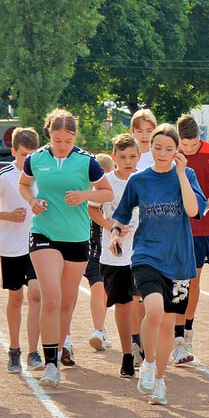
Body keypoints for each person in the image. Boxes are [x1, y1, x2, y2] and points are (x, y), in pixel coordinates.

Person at [110, 124, 207, 405]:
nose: (162, 153)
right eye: (157, 147)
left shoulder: (186, 175)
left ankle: (160, 382)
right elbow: (122, 215)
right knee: (153, 310)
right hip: (146, 256)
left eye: (168, 148)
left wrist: (180, 175)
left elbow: (193, 210)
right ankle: (149, 363)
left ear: (176, 151)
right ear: (149, 148)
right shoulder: (139, 180)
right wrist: (115, 235)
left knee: (167, 325)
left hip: (179, 260)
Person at [18, 109, 113, 388]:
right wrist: (31, 201)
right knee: (51, 296)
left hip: (76, 237)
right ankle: (49, 365)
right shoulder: (36, 159)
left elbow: (107, 192)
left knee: (67, 301)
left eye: (67, 141)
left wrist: (85, 195)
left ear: (75, 137)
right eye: (57, 140)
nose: (62, 146)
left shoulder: (87, 162)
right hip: (44, 232)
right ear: (49, 133)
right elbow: (25, 186)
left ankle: (58, 352)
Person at [0, 127, 43, 373]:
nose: (27, 159)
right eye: (23, 154)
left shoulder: (43, 173)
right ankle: (14, 349)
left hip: (38, 244)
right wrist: (8, 215)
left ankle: (33, 351)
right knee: (16, 298)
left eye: (32, 154)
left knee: (37, 295)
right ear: (13, 152)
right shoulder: (4, 175)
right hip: (11, 247)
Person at [88, 133, 144, 378]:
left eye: (132, 156)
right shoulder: (106, 182)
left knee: (143, 302)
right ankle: (127, 355)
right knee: (123, 305)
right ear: (115, 157)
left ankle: (142, 346)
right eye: (122, 157)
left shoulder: (145, 180)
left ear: (139, 157)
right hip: (115, 254)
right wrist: (110, 225)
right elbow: (92, 208)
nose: (128, 161)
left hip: (144, 251)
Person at [170, 114, 209, 364]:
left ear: (200, 137)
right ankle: (176, 336)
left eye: (192, 145)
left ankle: (186, 332)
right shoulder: (171, 152)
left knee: (193, 280)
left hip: (202, 228)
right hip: (175, 228)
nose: (188, 150)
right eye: (184, 145)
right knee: (175, 282)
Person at [86, 153, 115, 354]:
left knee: (102, 289)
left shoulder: (110, 193)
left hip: (102, 247)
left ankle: (100, 329)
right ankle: (96, 330)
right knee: (96, 287)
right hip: (84, 246)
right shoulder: (83, 193)